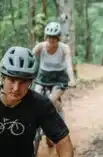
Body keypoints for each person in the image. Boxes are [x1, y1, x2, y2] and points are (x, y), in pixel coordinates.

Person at [31, 21, 77, 149]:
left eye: (54, 38)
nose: (52, 40)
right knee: (34, 98)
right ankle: (35, 126)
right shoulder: (40, 47)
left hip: (59, 79)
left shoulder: (64, 48)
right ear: (45, 37)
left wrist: (72, 79)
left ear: (58, 38)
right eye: (49, 37)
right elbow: (29, 57)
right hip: (42, 78)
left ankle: (58, 123)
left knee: (51, 101)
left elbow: (68, 65)